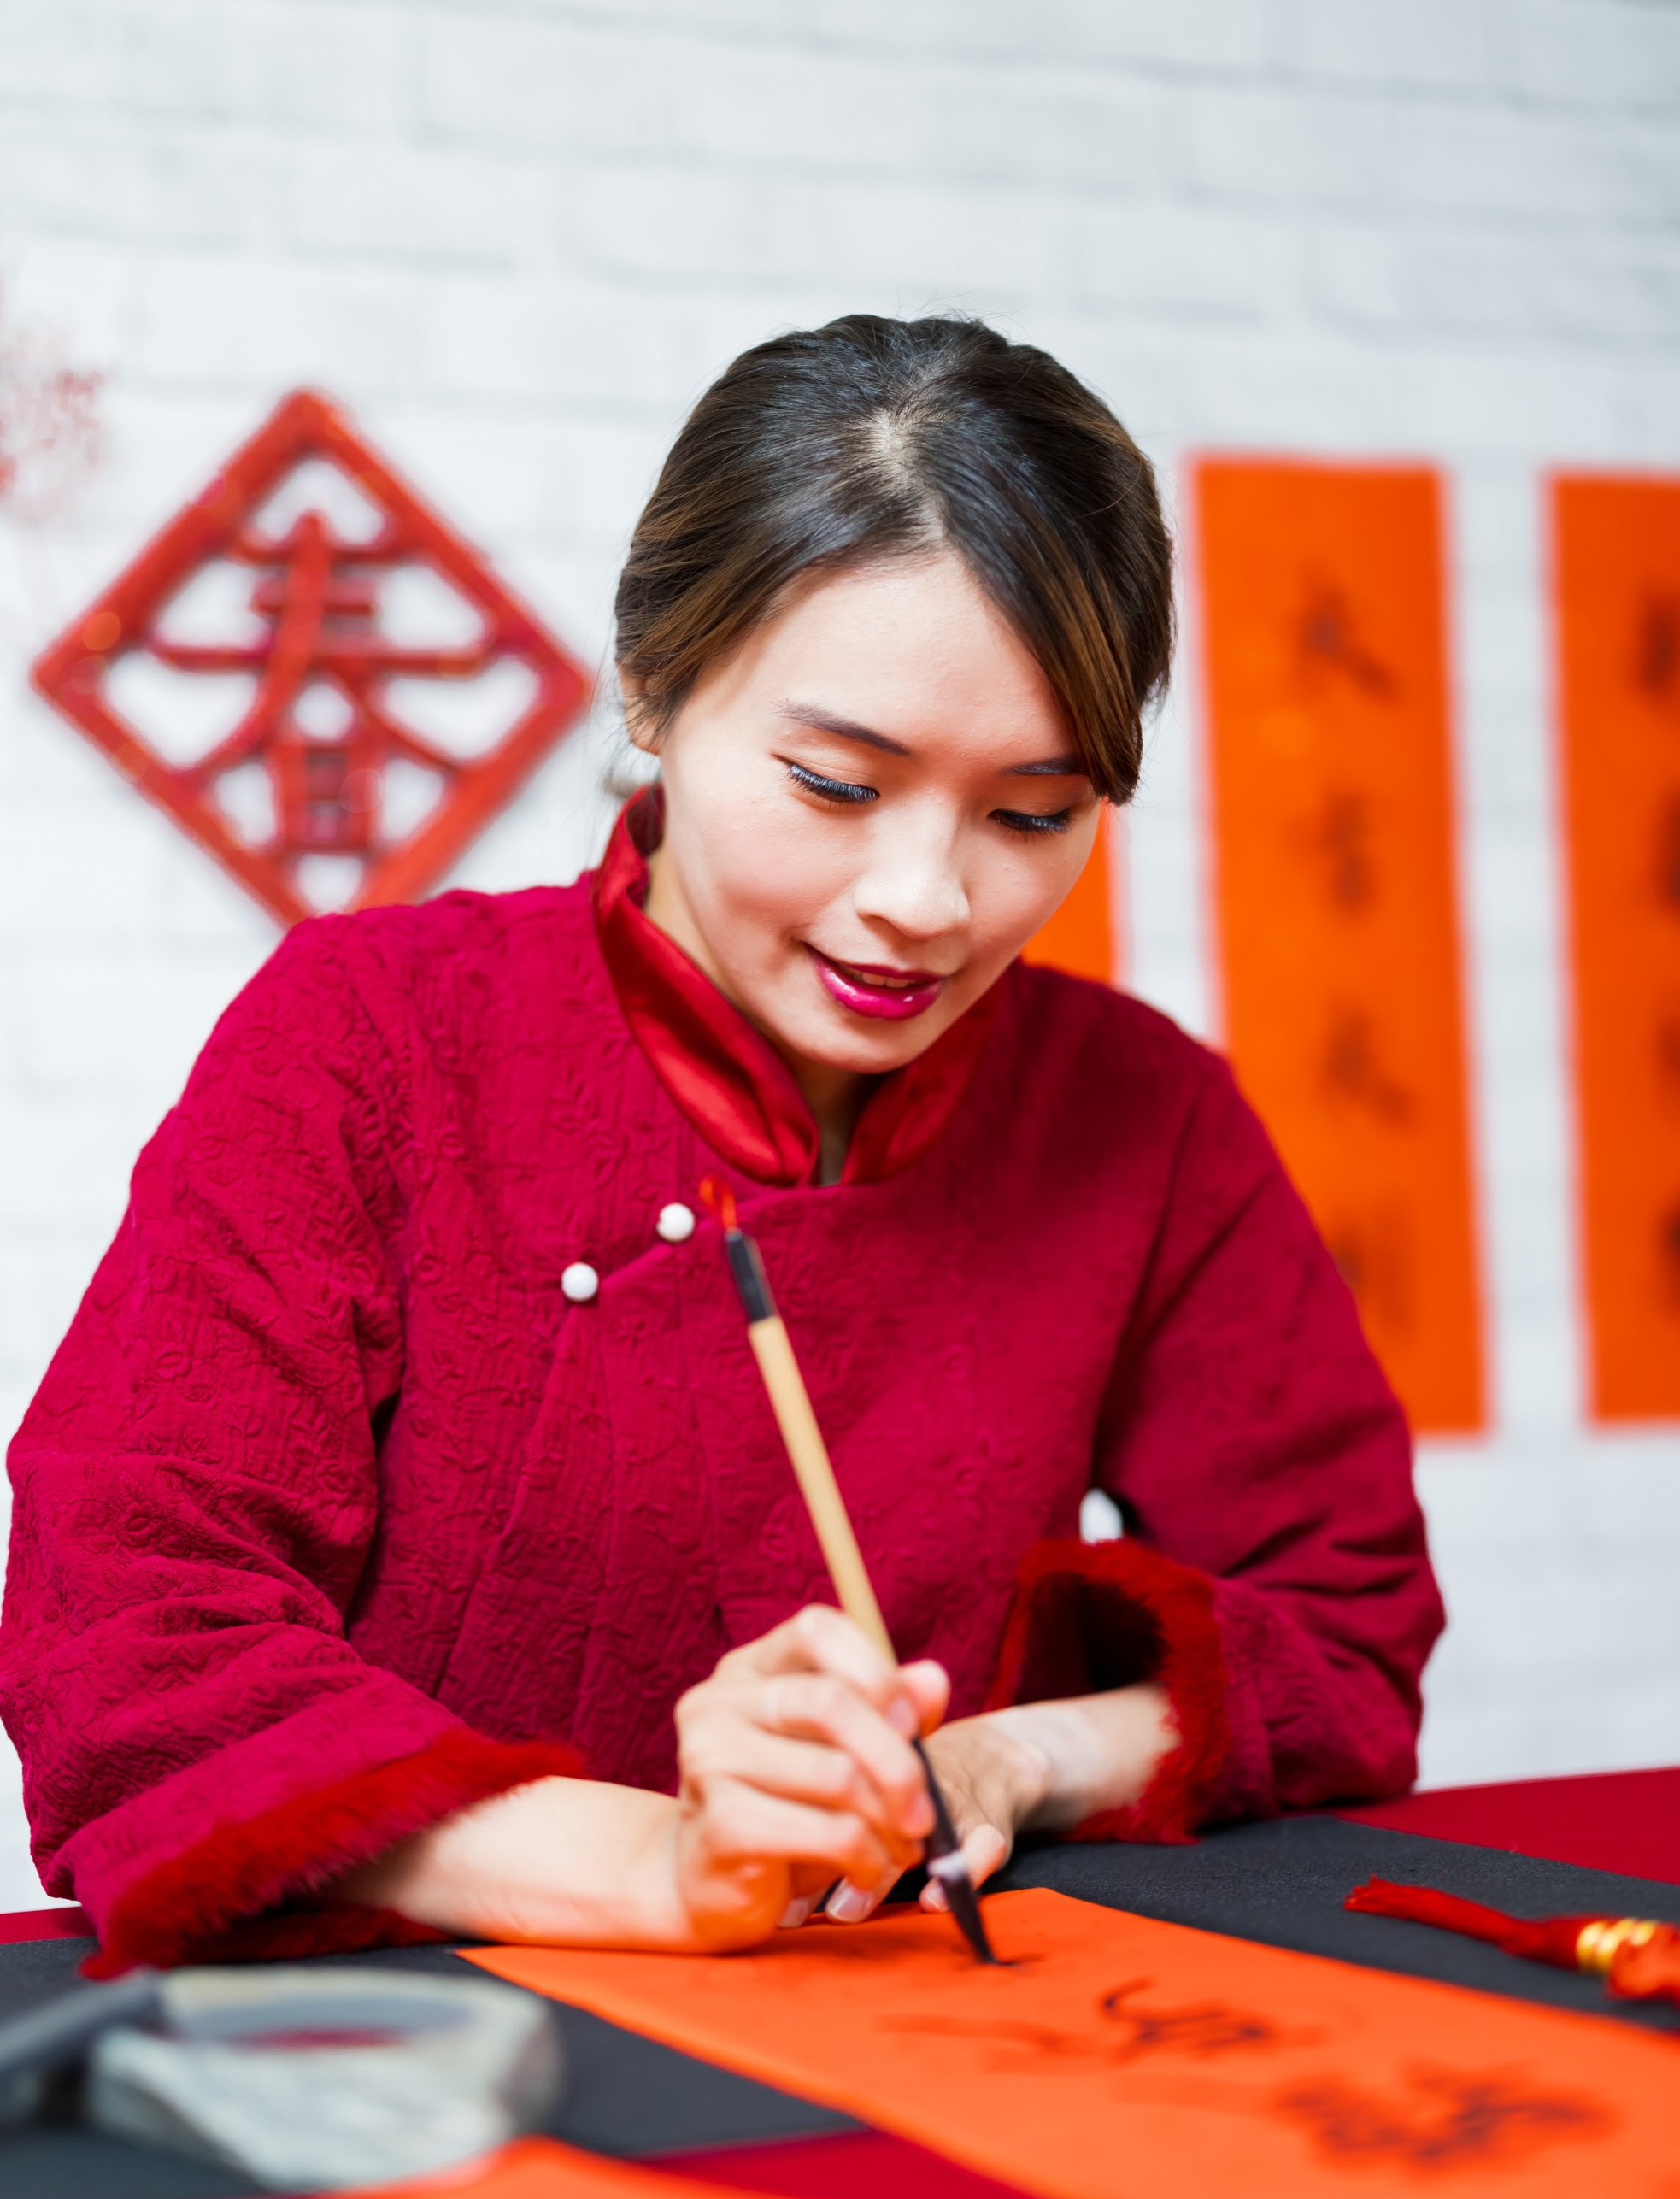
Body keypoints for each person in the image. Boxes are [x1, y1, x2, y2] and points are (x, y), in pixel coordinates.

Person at [0, 316, 1442, 1975]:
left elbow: (1346, 1634)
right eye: (835, 784)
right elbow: (128, 1647)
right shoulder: (371, 1034)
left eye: (1030, 815)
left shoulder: (1138, 1112)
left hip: (921, 2046)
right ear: (651, 682)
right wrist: (656, 1866)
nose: (925, 902)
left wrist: (1003, 1758)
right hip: (423, 2061)